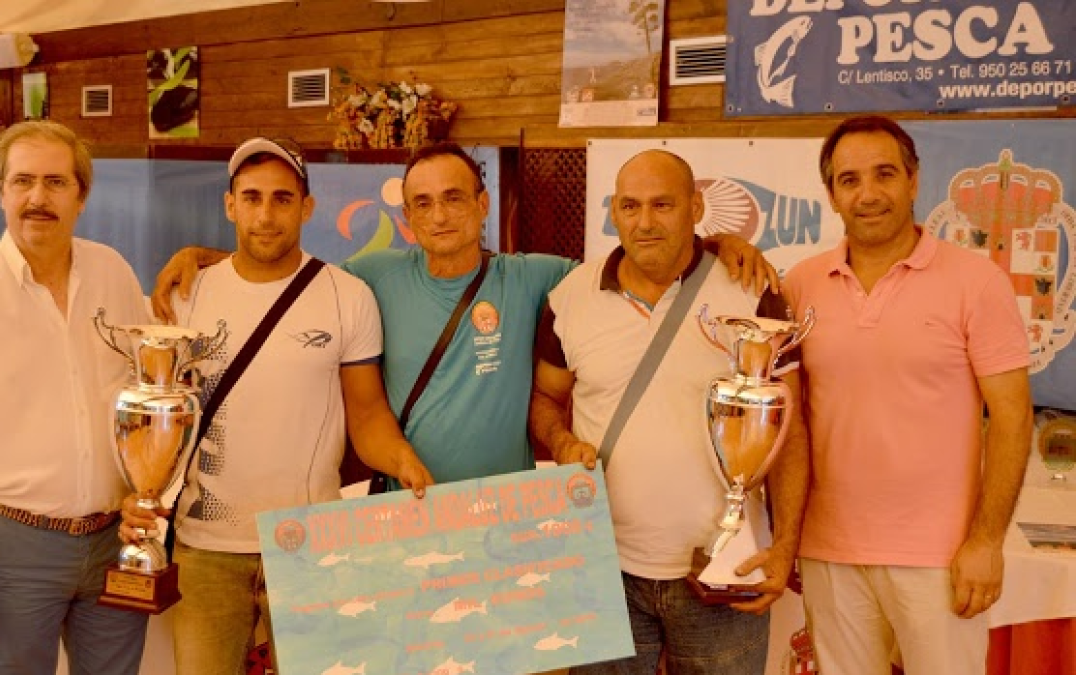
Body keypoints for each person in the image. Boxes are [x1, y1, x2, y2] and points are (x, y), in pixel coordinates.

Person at [151, 142, 778, 489]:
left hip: (504, 517)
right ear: (408, 218)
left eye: (455, 198)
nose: (440, 214)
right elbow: (282, 268)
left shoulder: (540, 277)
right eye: (423, 203)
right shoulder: (369, 278)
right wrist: (203, 256)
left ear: (482, 204)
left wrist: (718, 247)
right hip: (402, 509)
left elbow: (641, 258)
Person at [120, 137, 433, 675]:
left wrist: (400, 458)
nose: (266, 215)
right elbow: (159, 421)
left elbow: (367, 414)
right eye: (252, 197)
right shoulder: (185, 295)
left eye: (282, 199)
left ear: (307, 208)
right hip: (206, 549)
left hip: (311, 547)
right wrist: (140, 495)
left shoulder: (346, 295)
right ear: (230, 204)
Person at [530, 148, 809, 674]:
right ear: (613, 213)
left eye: (663, 205)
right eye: (630, 206)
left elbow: (791, 430)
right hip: (601, 568)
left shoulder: (753, 293)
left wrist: (784, 546)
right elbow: (545, 398)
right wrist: (563, 442)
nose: (645, 222)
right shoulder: (571, 296)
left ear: (696, 207)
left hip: (720, 572)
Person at [783, 115, 1032, 674]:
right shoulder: (799, 285)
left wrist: (986, 542)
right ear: (831, 195)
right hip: (830, 550)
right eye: (849, 180)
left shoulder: (976, 281)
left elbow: (1013, 418)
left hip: (941, 558)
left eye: (885, 174)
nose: (868, 194)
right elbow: (788, 421)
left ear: (914, 180)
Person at [0, 120, 151, 674]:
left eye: (55, 182)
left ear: (81, 195)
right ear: (1, 191)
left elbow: (146, 398)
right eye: (22, 182)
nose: (38, 198)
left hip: (117, 540)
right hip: (15, 553)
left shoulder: (114, 273)